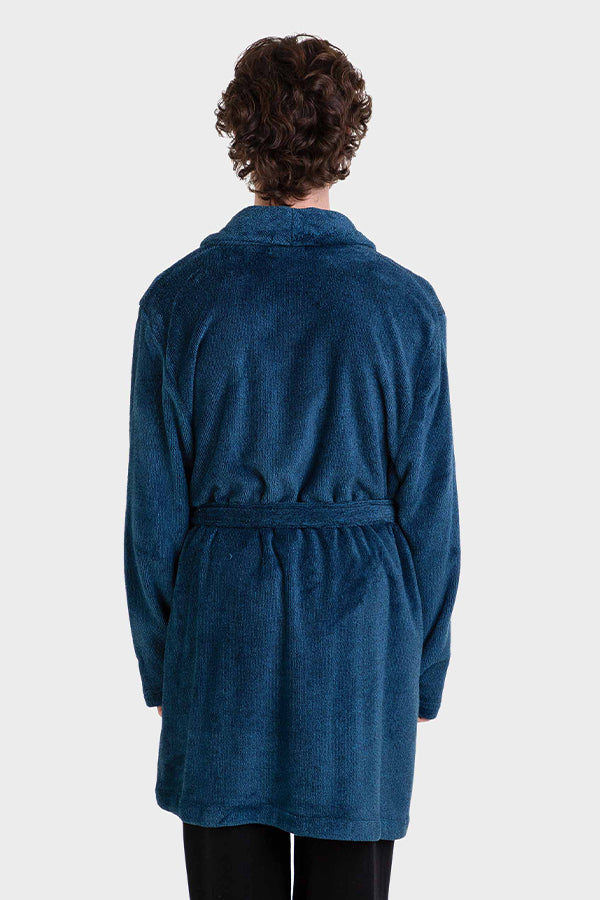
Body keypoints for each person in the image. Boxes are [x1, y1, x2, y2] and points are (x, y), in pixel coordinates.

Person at [124, 33, 461, 900]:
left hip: (222, 629)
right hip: (363, 641)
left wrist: (164, 666)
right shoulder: (406, 306)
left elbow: (152, 514)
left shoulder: (178, 301)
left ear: (240, 134)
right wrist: (421, 672)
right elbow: (432, 511)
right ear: (345, 139)